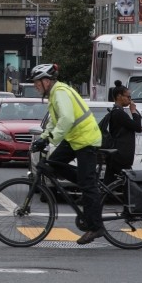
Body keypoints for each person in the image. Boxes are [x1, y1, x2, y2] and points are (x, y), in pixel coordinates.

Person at [30, 63, 105, 245]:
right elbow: (53, 122)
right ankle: (87, 182)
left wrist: (50, 139)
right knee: (52, 164)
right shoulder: (54, 95)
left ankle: (95, 227)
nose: (35, 86)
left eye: (37, 82)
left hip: (86, 139)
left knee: (87, 185)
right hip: (74, 139)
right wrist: (44, 137)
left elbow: (67, 118)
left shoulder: (61, 92)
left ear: (46, 81)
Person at [103, 80, 142, 185]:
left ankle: (99, 199)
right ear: (119, 96)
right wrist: (133, 111)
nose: (130, 99)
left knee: (109, 183)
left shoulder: (117, 112)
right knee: (127, 184)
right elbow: (137, 127)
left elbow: (131, 126)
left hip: (117, 153)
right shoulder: (119, 113)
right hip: (121, 154)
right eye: (128, 97)